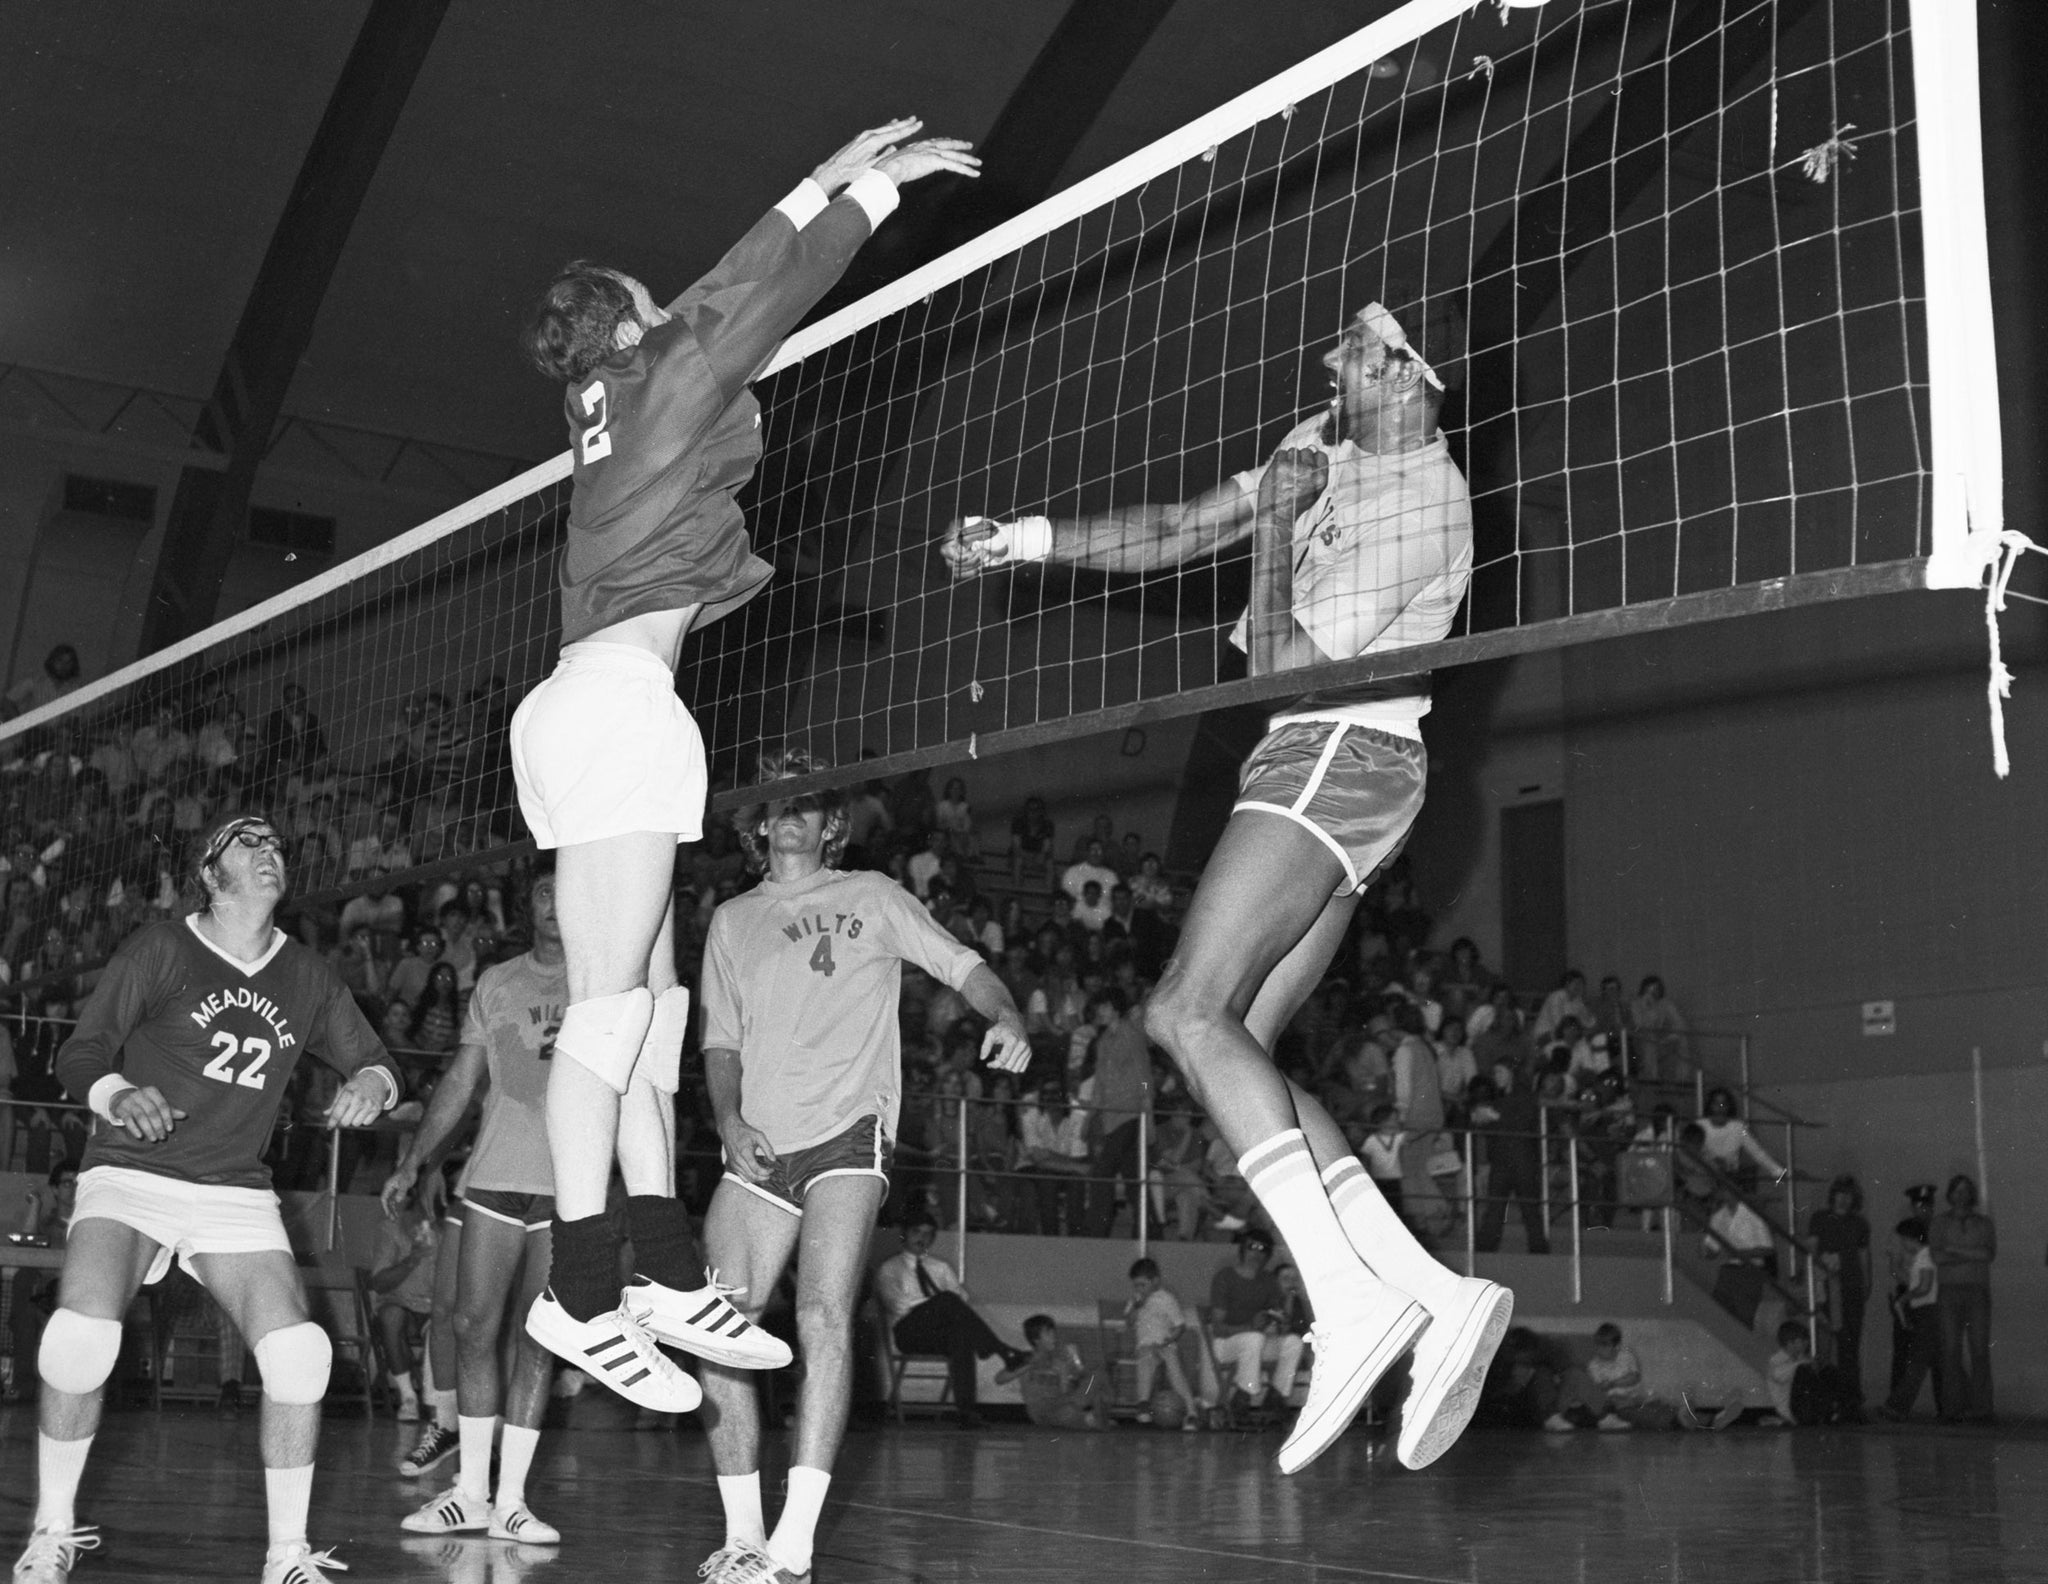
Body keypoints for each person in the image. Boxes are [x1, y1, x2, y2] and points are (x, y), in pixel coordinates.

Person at [942, 285, 1510, 1473]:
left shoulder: (1421, 501)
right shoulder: (1319, 444)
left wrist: (1270, 534)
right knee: (1241, 1037)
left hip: (1333, 749)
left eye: (1351, 355)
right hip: (1339, 769)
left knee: (1179, 1012)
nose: (1328, 363)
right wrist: (1028, 540)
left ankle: (1350, 1305)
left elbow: (1288, 664)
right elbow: (1180, 526)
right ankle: (1428, 1291)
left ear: (1406, 378)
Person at [509, 119, 979, 1402]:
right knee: (609, 1014)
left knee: (648, 1015)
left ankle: (661, 1263)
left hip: (594, 704)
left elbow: (713, 302)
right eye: (646, 304)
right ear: (619, 326)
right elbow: (751, 290)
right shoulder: (652, 368)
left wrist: (822, 167)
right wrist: (869, 190)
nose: (670, 306)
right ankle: (577, 1288)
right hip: (613, 708)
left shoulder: (606, 410)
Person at [11, 813, 401, 1584]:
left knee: (298, 1356)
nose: (270, 854)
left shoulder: (309, 975)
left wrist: (371, 1083)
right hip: (132, 1170)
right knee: (78, 1340)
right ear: (209, 873)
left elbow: (380, 1064)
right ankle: (52, 1530)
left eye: (277, 846)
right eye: (247, 844)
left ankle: (286, 1557)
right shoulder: (162, 947)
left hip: (232, 1187)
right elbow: (80, 1050)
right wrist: (119, 1094)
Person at [692, 760, 1029, 1584]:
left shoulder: (874, 895)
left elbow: (963, 966)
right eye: (778, 807)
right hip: (758, 1146)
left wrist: (1008, 1012)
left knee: (821, 1312)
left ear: (832, 824)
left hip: (848, 1132)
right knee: (716, 1333)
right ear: (758, 826)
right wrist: (730, 1122)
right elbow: (721, 1045)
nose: (795, 817)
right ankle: (743, 1537)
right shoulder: (732, 921)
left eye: (811, 805)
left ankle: (793, 1546)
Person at [380, 868, 572, 1546]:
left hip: (567, 1186)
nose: (555, 904)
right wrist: (415, 1160)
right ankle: (469, 1493)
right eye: (544, 892)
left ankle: (513, 1499)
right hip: (492, 1176)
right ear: (528, 905)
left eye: (566, 891)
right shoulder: (497, 981)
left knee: (537, 1339)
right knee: (469, 1326)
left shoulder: (606, 981)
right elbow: (462, 1080)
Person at [1207, 1229, 1305, 1415]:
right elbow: (1218, 1328)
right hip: (1225, 1345)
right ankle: (1242, 1398)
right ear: (1242, 1250)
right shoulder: (1225, 1277)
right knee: (1254, 1338)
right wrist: (1251, 1327)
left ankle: (1275, 1398)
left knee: (1293, 1343)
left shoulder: (1268, 1281)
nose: (1257, 1253)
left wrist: (1279, 1321)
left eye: (1263, 1249)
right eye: (1252, 1247)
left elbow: (1278, 1318)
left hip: (1257, 1342)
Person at [1928, 1172, 1994, 1422]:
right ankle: (1951, 1410)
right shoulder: (1939, 1223)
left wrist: (1954, 1249)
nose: (1961, 1195)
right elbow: (1937, 1257)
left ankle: (1983, 1410)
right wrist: (1970, 1253)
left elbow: (1987, 1254)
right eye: (1957, 1190)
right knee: (1950, 1351)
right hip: (1949, 1292)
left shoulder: (1984, 1223)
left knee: (1979, 1351)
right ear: (1950, 1194)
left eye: (1966, 1190)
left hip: (1977, 1291)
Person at [1806, 1174, 1871, 1418]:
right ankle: (1825, 1400)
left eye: (1848, 1195)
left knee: (1849, 1347)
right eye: (1840, 1194)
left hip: (1851, 1288)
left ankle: (1850, 1401)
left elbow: (1864, 1256)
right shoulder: (1820, 1219)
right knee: (1824, 1345)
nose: (1844, 1199)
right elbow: (1811, 1251)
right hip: (1827, 1289)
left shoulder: (1860, 1223)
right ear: (1833, 1195)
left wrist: (1867, 1283)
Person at [1124, 1257, 1207, 1428]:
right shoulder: (1135, 1300)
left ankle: (1191, 1411)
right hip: (1145, 1346)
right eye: (1136, 1285)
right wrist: (1137, 1306)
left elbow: (1180, 1325)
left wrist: (1168, 1341)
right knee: (1145, 1362)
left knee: (1175, 1371)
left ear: (1155, 1282)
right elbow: (1129, 1321)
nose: (1139, 1289)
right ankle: (1143, 1403)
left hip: (1165, 1343)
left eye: (1143, 1285)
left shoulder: (1166, 1299)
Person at [995, 1314, 1107, 1429]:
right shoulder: (1026, 1358)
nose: (1054, 1337)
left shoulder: (1057, 1360)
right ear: (1036, 1339)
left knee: (1097, 1376)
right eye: (1048, 1333)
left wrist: (1064, 1374)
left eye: (1054, 1333)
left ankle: (1092, 1418)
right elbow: (999, 1379)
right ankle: (1090, 1418)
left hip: (1064, 1406)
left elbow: (1065, 1392)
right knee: (1069, 1414)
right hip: (1042, 1412)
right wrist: (1030, 1364)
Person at [1879, 1218, 1941, 1420]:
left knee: (1917, 1362)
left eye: (1904, 1238)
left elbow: (1924, 1287)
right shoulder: (1925, 1256)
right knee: (1940, 1360)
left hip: (1927, 1311)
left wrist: (1904, 1299)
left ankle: (1897, 1406)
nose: (1903, 1243)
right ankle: (1963, 1403)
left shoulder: (1924, 1257)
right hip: (1930, 1311)